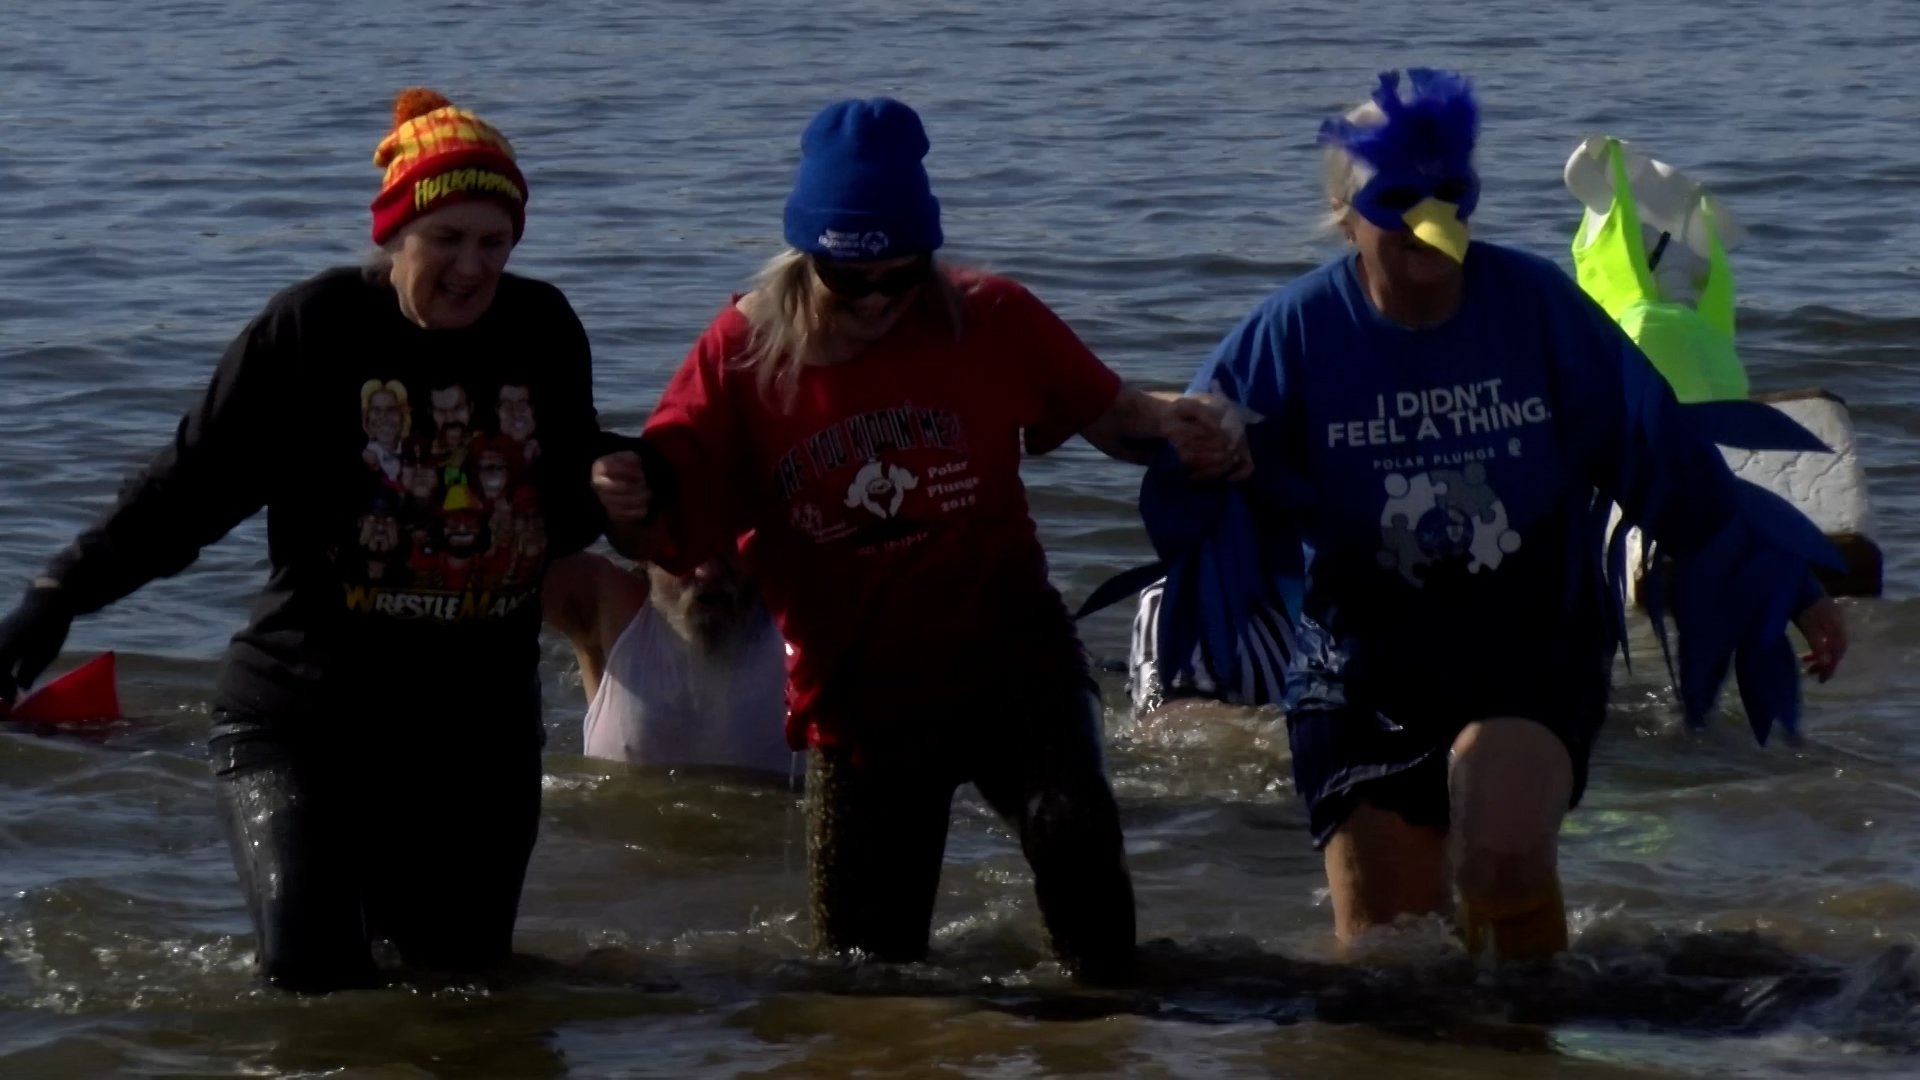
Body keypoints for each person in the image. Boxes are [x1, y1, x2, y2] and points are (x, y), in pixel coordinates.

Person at [1127, 68, 1850, 965]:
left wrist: (1791, 586)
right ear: (1348, 218)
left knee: (1501, 853)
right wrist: (1217, 464)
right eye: (1399, 199)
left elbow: (1662, 458)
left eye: (1450, 193)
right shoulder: (1295, 333)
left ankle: (1532, 1038)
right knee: (1394, 960)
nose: (1431, 217)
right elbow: (1193, 476)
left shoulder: (1537, 307)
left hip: (1529, 652)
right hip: (1358, 670)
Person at [0, 87, 652, 992]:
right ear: (395, 237)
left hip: (476, 735)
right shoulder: (313, 331)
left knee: (462, 992)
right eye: (447, 241)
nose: (472, 267)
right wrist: (56, 594)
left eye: (493, 242)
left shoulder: (541, 327)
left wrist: (618, 491)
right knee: (313, 983)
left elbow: (551, 508)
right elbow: (187, 489)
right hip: (303, 720)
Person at [590, 96, 1244, 983]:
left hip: (1011, 652)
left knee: (1075, 833)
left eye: (900, 279)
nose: (875, 304)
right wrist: (621, 495)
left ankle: (1111, 1035)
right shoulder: (741, 355)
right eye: (849, 282)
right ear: (804, 259)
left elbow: (1118, 417)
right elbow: (664, 521)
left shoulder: (990, 317)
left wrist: (1189, 427)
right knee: (867, 974)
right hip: (861, 696)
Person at [541, 547, 796, 784]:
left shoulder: (805, 617)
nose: (708, 572)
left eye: (725, 543)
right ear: (646, 550)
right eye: (685, 548)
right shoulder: (607, 605)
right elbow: (516, 542)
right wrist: (618, 508)